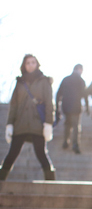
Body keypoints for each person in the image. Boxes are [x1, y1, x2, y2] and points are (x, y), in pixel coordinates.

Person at [0, 54, 55, 182]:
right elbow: (13, 105)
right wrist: (10, 124)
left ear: (37, 64)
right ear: (24, 65)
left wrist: (48, 124)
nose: (30, 65)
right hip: (20, 124)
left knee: (41, 154)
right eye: (28, 63)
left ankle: (52, 184)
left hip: (37, 125)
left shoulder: (44, 81)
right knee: (12, 154)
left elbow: (49, 104)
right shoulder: (20, 82)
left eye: (33, 62)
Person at [56, 64, 88, 154]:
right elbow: (85, 94)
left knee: (67, 124)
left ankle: (66, 141)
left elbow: (59, 93)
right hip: (76, 107)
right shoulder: (81, 80)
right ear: (80, 69)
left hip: (66, 106)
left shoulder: (66, 79)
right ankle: (75, 144)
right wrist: (87, 107)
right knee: (75, 126)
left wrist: (58, 106)